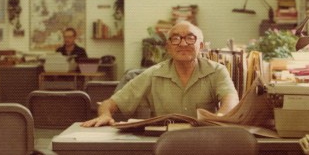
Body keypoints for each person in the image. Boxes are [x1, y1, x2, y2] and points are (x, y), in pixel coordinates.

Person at [82, 21, 239, 127]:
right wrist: (104, 114)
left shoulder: (217, 71)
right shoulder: (153, 74)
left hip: (205, 140)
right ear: (168, 47)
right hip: (166, 143)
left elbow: (231, 100)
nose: (183, 44)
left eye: (190, 38)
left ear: (201, 46)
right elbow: (109, 103)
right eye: (176, 39)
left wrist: (219, 118)